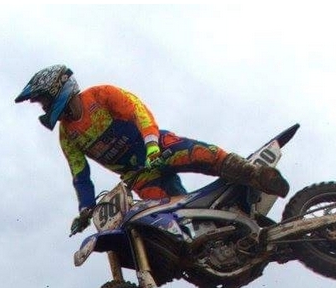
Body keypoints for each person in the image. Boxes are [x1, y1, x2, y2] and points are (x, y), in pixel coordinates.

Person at [15, 64, 289, 235]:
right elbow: (80, 174)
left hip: (157, 148)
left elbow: (139, 113)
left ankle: (255, 175)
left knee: (203, 155)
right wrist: (86, 209)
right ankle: (212, 242)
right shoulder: (67, 135)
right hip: (138, 175)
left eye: (43, 100)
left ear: (59, 90)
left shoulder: (101, 96)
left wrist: (151, 146)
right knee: (169, 219)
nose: (44, 107)